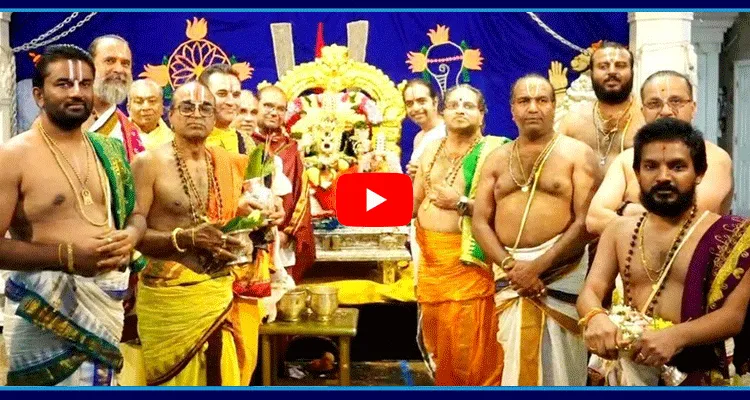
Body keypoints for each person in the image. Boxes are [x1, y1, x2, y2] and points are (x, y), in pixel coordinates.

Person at [0, 44, 146, 386]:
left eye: (85, 83)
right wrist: (67, 256)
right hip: (44, 315)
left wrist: (131, 237)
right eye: (63, 84)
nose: (77, 92)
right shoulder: (13, 156)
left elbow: (136, 215)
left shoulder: (108, 150)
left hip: (106, 305)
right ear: (39, 94)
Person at [577, 118, 750, 386]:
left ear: (700, 173)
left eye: (677, 166)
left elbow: (732, 317)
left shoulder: (732, 234)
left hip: (694, 373)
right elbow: (591, 291)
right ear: (637, 173)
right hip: (625, 372)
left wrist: (676, 337)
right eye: (651, 166)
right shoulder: (618, 230)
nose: (663, 177)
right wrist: (595, 316)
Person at [131, 81, 283, 386]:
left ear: (215, 118)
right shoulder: (149, 163)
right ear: (171, 115)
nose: (196, 114)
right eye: (187, 107)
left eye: (205, 108)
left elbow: (235, 211)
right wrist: (184, 238)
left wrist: (265, 213)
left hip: (217, 292)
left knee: (225, 376)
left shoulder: (226, 162)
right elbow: (133, 234)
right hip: (169, 299)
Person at [472, 74, 602, 385]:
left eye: (542, 100)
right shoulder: (496, 159)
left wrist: (537, 268)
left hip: (561, 272)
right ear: (512, 109)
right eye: (524, 101)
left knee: (562, 368)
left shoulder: (577, 154)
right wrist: (511, 266)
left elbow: (585, 222)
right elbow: (479, 221)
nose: (533, 107)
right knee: (511, 365)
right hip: (511, 275)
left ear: (554, 106)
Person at [412, 84, 505, 386]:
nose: (460, 110)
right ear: (443, 112)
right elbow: (413, 203)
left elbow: (508, 212)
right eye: (453, 105)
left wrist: (462, 203)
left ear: (482, 115)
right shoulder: (429, 149)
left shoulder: (496, 152)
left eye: (468, 105)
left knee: (469, 345)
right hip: (431, 262)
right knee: (440, 344)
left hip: (468, 264)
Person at [586, 70, 733, 236]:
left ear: (693, 108)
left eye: (676, 101)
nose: (665, 111)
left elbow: (691, 218)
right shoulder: (627, 159)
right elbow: (594, 220)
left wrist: (625, 209)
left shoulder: (715, 157)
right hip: (631, 259)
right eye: (654, 104)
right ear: (643, 111)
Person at [251, 85, 315, 282]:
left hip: (280, 237)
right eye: (268, 106)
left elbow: (301, 195)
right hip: (244, 236)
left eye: (280, 108)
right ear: (256, 106)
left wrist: (288, 233)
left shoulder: (291, 149)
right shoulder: (242, 142)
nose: (274, 112)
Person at [557, 41, 645, 172]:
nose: (612, 72)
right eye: (603, 66)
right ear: (591, 73)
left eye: (620, 66)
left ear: (632, 71)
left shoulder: (646, 118)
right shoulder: (574, 119)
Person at [84, 35, 144, 161]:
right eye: (110, 61)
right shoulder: (63, 116)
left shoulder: (130, 132)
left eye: (125, 63)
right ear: (89, 66)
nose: (119, 69)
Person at [198, 64, 250, 154]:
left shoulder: (247, 142)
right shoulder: (185, 141)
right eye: (222, 94)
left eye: (236, 95)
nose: (231, 102)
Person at [403, 79, 446, 178]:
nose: (415, 108)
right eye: (409, 104)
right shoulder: (418, 137)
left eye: (421, 101)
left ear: (435, 102)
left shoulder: (448, 132)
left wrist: (425, 171)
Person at [127, 78, 173, 150]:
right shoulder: (117, 136)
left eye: (152, 101)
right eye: (139, 101)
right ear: (128, 108)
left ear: (162, 107)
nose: (146, 107)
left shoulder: (174, 141)